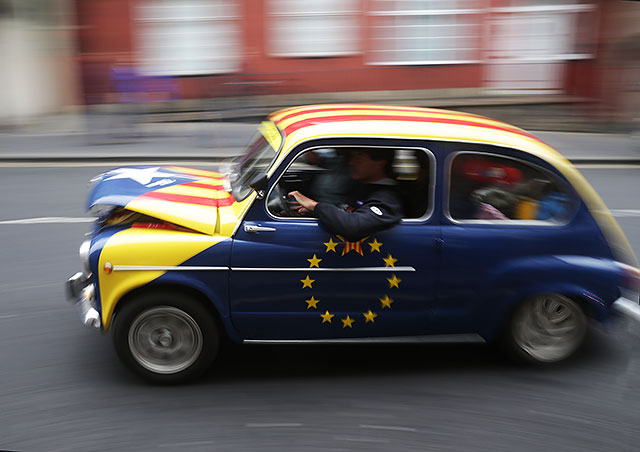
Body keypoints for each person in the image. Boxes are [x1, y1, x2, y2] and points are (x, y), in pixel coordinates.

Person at [288, 149, 403, 241]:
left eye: (359, 157)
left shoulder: (388, 197)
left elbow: (354, 226)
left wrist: (315, 206)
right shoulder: (363, 186)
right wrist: (313, 212)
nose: (351, 162)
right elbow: (348, 212)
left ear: (380, 163)